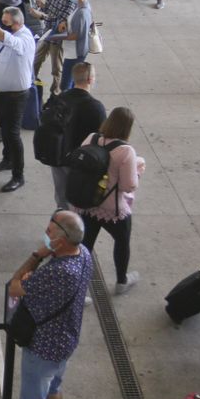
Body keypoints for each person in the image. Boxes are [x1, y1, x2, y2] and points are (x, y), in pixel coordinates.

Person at [7, 209, 93, 399]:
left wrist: (37, 255)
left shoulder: (57, 272)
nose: (46, 229)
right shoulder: (85, 256)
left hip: (41, 348)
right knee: (55, 389)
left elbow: (14, 285)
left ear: (61, 240)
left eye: (51, 228)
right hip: (65, 342)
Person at [81, 108, 143, 294]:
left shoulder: (91, 138)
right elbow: (128, 186)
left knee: (85, 247)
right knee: (122, 242)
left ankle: (79, 290)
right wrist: (138, 170)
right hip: (112, 207)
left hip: (87, 203)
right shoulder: (125, 151)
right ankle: (121, 282)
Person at [0, 6, 37, 193]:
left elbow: (13, 43)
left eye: (6, 23)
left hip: (16, 96)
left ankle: (18, 175)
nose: (2, 26)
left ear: (17, 23)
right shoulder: (6, 34)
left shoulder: (25, 38)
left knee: (13, 134)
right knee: (5, 129)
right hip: (0, 92)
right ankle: (7, 160)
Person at [48, 62, 108, 213]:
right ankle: (73, 229)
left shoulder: (61, 98)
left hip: (58, 156)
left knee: (61, 197)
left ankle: (58, 227)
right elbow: (100, 139)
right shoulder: (95, 107)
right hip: (80, 162)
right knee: (77, 200)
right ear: (89, 79)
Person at [30, 0, 75, 90]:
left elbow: (62, 19)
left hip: (57, 35)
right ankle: (33, 85)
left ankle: (55, 92)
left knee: (56, 68)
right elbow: (48, 8)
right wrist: (41, 6)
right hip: (47, 31)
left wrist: (41, 16)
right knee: (36, 60)